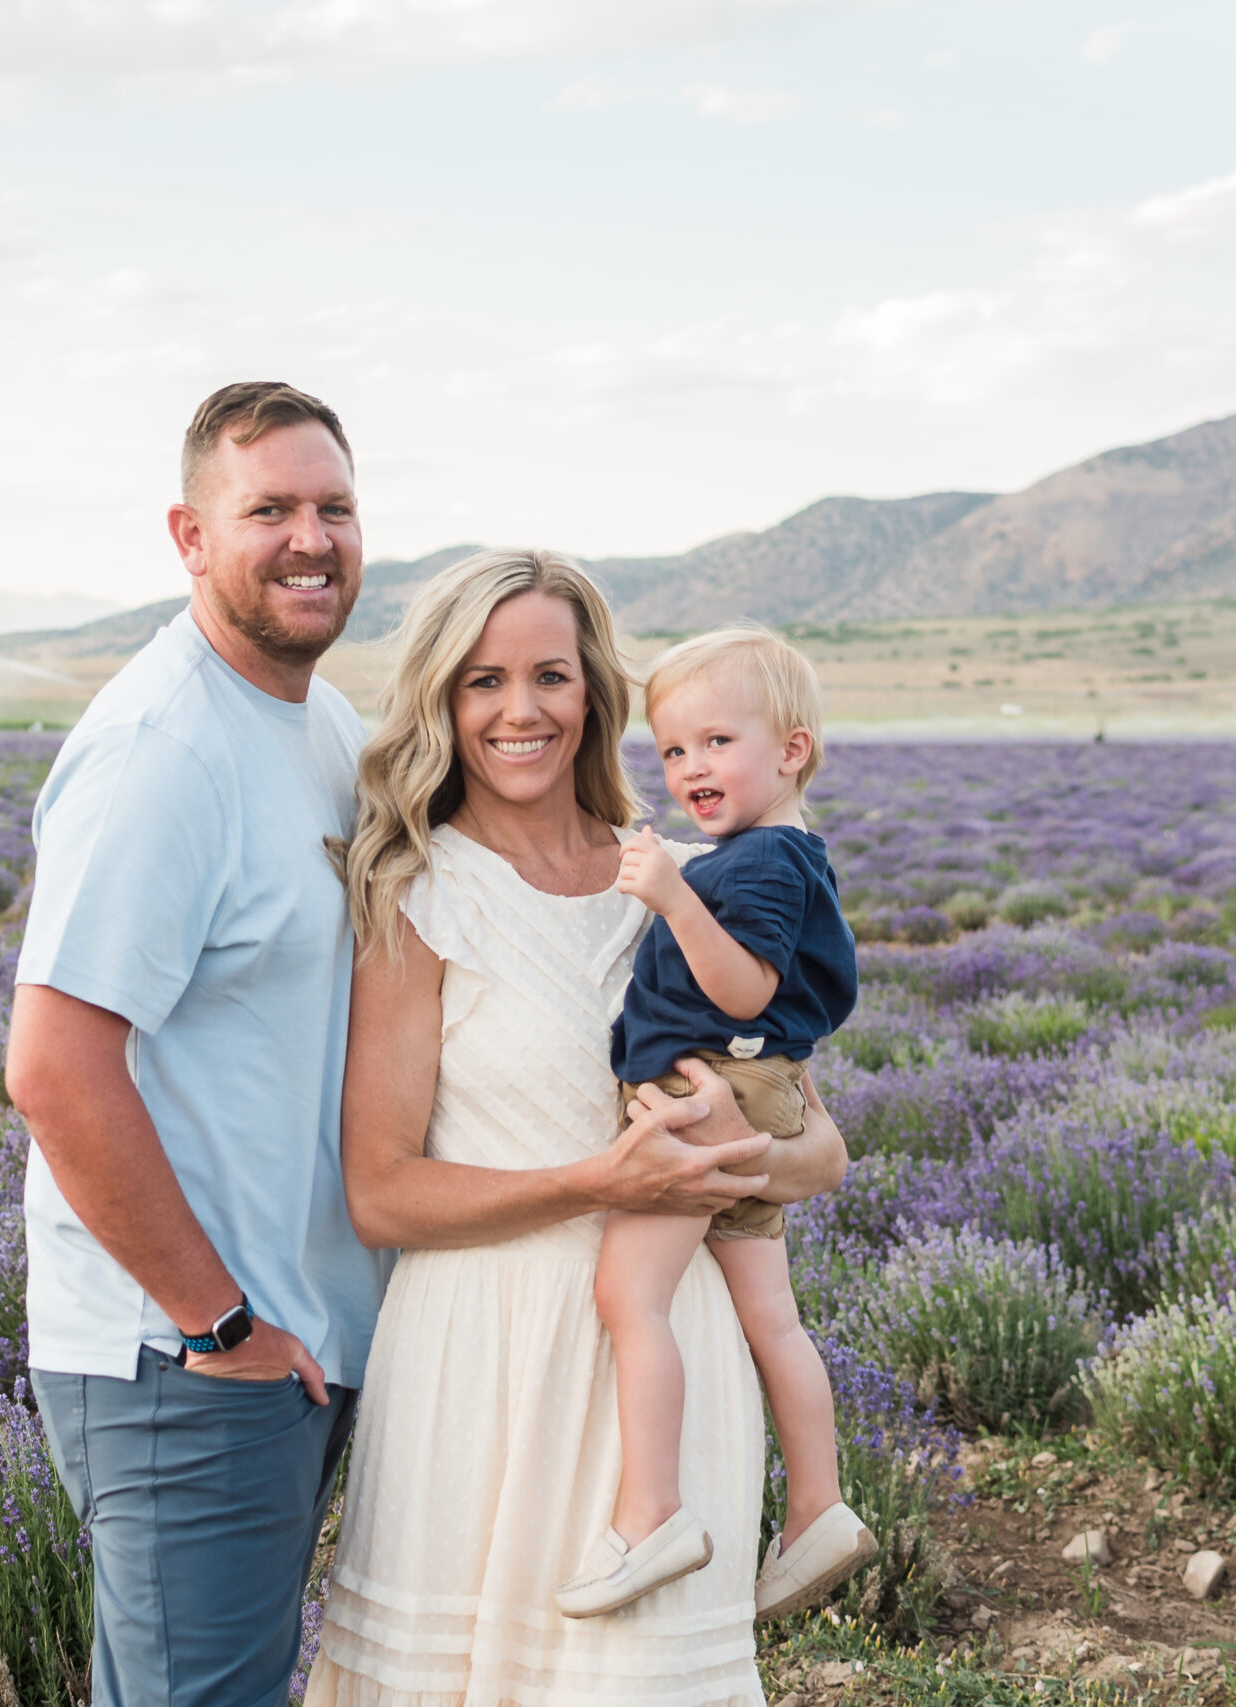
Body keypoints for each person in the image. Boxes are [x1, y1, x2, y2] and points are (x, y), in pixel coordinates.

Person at [307, 552, 852, 1707]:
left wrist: (746, 1152)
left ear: (594, 693)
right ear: (443, 700)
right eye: (482, 681)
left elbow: (817, 1143)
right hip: (479, 1363)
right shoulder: (415, 890)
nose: (520, 710)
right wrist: (607, 1178)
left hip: (670, 1354)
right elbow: (382, 1195)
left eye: (550, 675)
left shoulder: (680, 876)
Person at [5, 380, 388, 1707]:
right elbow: (54, 1064)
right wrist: (216, 1317)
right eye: (268, 507)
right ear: (189, 534)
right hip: (189, 1355)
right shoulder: (164, 746)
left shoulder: (320, 723)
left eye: (334, 506)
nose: (309, 538)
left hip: (288, 1341)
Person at [559, 627, 875, 1624]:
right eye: (674, 749)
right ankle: (816, 1509)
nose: (691, 767)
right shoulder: (766, 852)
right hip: (750, 1092)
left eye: (716, 742)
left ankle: (650, 1516)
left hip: (707, 1098)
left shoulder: (763, 864)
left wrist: (669, 895)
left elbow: (742, 989)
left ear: (790, 751)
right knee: (770, 1316)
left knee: (627, 1295)